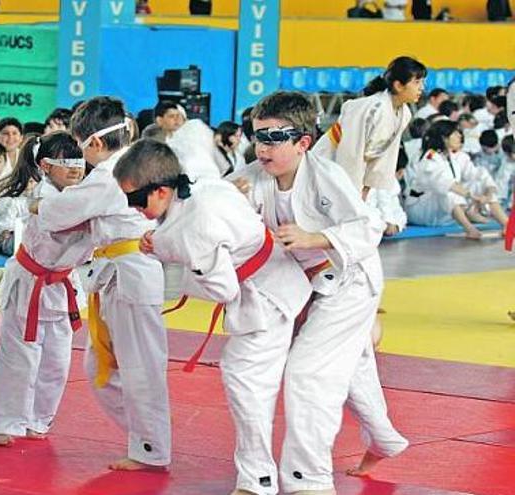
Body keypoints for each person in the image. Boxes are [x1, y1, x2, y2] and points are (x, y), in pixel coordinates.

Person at [229, 91, 404, 492]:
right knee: (351, 369)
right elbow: (209, 209)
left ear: (303, 142)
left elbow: (367, 228)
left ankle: (309, 480)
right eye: (258, 136)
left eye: (275, 138)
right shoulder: (252, 176)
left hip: (349, 284)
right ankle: (384, 440)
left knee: (309, 372)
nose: (263, 147)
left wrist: (315, 237)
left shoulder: (327, 176)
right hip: (301, 288)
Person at [116, 139, 312, 495]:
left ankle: (258, 482)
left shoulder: (191, 229)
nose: (132, 208)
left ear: (161, 190)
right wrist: (161, 243)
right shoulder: (201, 184)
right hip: (284, 279)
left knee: (245, 382)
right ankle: (383, 439)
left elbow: (223, 290)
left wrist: (179, 271)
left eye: (135, 200)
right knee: (336, 376)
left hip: (266, 300)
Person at [37, 96, 171, 471]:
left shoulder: (111, 174)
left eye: (80, 147)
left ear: (94, 143)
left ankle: (153, 446)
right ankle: (150, 437)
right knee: (103, 369)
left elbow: (56, 213)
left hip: (131, 274)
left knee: (136, 366)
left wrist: (39, 206)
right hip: (119, 273)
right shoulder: (134, 162)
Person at [0, 129, 94, 450]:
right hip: (29, 284)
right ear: (45, 165)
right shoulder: (42, 198)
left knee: (57, 362)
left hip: (62, 285)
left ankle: (38, 419)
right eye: (66, 161)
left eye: (79, 161)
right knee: (18, 357)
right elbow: (62, 219)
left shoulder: (80, 195)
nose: (76, 167)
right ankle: (6, 422)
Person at [314, 56, 426, 194]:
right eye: (417, 82)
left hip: (357, 174)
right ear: (398, 85)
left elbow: (385, 156)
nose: (422, 88)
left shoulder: (404, 113)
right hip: (329, 162)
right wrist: (351, 194)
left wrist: (366, 189)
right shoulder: (371, 109)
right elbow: (350, 154)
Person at [405, 120, 504, 239]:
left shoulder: (454, 156)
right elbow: (444, 184)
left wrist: (489, 191)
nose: (459, 136)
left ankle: (506, 224)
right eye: (455, 134)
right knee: (448, 191)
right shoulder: (429, 157)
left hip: (442, 213)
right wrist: (472, 197)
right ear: (444, 138)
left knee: (479, 184)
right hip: (421, 209)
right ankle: (470, 229)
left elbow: (477, 174)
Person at [0, 138, 42, 256]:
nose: (31, 184)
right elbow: (5, 226)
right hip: (14, 238)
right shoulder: (15, 199)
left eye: (33, 182)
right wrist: (9, 232)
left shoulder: (48, 187)